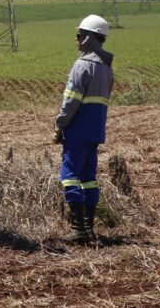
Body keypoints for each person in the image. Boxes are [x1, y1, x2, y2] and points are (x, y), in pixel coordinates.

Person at [53, 15, 114, 244]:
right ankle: (89, 230)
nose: (76, 39)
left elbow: (71, 101)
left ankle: (78, 230)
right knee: (89, 178)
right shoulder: (107, 69)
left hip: (78, 129)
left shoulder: (82, 65)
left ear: (88, 38)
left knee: (69, 176)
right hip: (95, 130)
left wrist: (60, 125)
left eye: (79, 35)